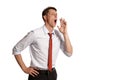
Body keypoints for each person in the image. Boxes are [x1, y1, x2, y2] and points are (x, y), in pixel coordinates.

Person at [12, 6, 73, 80]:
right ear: (45, 17)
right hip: (37, 75)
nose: (56, 16)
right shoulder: (35, 34)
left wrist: (65, 33)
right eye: (53, 14)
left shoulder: (58, 34)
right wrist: (24, 68)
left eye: (56, 14)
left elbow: (69, 53)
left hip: (52, 75)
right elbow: (16, 49)